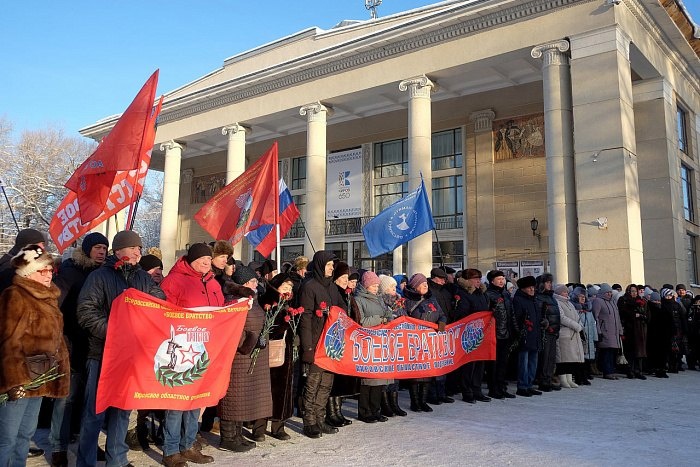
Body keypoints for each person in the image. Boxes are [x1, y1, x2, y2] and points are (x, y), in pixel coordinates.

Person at [76, 230, 166, 467]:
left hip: (132, 356)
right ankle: (85, 462)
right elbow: (86, 312)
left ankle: (117, 459)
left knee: (123, 411)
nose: (138, 252)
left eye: (139, 247)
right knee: (94, 413)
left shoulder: (143, 279)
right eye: (133, 247)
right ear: (119, 251)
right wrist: (116, 333)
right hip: (102, 355)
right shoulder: (99, 277)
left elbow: (159, 305)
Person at [0, 245, 70, 467]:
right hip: (19, 381)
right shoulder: (15, 296)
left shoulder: (48, 298)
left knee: (25, 435)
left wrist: (58, 370)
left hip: (40, 377)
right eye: (43, 270)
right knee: (6, 439)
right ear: (28, 273)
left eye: (50, 270)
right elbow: (8, 342)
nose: (49, 274)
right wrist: (14, 381)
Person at [159, 243, 221, 467]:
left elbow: (220, 312)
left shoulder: (213, 282)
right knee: (177, 402)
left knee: (196, 400)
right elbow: (163, 312)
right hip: (181, 347)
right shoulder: (174, 280)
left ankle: (188, 445)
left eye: (209, 258)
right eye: (202, 258)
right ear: (191, 259)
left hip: (203, 349)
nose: (206, 262)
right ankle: (170, 449)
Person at [50, 232, 109, 466]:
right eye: (97, 247)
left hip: (95, 347)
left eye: (105, 247)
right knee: (67, 398)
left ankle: (88, 444)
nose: (102, 251)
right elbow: (57, 308)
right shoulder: (69, 272)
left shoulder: (105, 273)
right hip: (71, 345)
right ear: (86, 250)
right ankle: (58, 446)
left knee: (90, 402)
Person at [218, 266, 272, 451]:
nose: (255, 284)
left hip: (250, 357)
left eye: (255, 281)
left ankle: (238, 435)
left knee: (243, 399)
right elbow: (233, 329)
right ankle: (227, 437)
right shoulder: (234, 301)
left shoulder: (251, 299)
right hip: (238, 357)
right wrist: (252, 341)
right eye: (251, 282)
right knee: (233, 398)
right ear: (243, 284)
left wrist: (262, 336)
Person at [299, 251, 344, 438]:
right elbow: (305, 318)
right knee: (313, 383)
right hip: (316, 343)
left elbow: (342, 310)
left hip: (331, 344)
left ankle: (320, 418)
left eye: (332, 265)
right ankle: (309, 422)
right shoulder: (309, 287)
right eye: (329, 265)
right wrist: (307, 348)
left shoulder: (332, 287)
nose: (332, 268)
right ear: (319, 265)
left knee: (326, 384)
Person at [259, 273, 296, 441]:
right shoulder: (267, 302)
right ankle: (258, 427)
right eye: (285, 287)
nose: (288, 290)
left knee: (283, 389)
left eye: (290, 287)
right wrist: (284, 322)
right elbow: (267, 327)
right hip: (269, 350)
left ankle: (278, 425)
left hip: (286, 352)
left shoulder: (288, 303)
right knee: (266, 390)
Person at [353, 271, 393, 423]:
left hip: (381, 343)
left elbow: (387, 314)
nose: (376, 288)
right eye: (373, 286)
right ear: (366, 285)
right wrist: (380, 319)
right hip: (367, 343)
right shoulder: (358, 299)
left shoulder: (379, 299)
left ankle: (376, 410)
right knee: (368, 380)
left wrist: (389, 317)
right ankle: (364, 411)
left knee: (379, 379)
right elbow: (361, 321)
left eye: (377, 285)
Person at [404, 273, 446, 412]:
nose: (425, 286)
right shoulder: (408, 300)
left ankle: (423, 400)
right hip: (414, 340)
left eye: (426, 284)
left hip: (430, 340)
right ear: (415, 287)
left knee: (428, 371)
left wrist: (441, 325)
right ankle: (415, 401)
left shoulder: (431, 299)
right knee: (416, 372)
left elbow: (441, 314)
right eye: (422, 285)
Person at [325, 262, 357, 428]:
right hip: (334, 340)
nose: (346, 280)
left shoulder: (346, 294)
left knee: (341, 378)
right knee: (334, 379)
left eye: (347, 277)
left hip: (345, 339)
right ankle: (331, 412)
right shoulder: (333, 291)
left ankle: (338, 411)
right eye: (343, 277)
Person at [454, 268, 490, 403]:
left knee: (480, 363)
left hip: (481, 332)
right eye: (475, 279)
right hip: (469, 333)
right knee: (469, 364)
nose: (478, 281)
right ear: (468, 280)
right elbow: (462, 313)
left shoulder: (481, 293)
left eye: (479, 279)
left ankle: (477, 389)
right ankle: (467, 391)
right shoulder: (463, 294)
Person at [483, 270, 516, 399]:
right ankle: (493, 388)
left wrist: (514, 329)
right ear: (492, 281)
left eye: (503, 279)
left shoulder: (506, 294)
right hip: (494, 334)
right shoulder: (489, 295)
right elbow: (486, 314)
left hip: (506, 333)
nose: (502, 281)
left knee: (503, 363)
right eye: (499, 279)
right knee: (493, 364)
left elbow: (511, 313)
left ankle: (502, 387)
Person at [377, 274, 407, 416]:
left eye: (395, 286)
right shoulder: (380, 301)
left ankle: (394, 403)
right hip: (384, 342)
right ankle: (385, 403)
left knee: (396, 374)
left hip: (397, 341)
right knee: (385, 374)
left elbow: (405, 317)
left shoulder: (399, 301)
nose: (394, 290)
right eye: (391, 287)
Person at [512, 276, 543, 397]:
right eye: (529, 287)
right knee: (523, 363)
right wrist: (520, 331)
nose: (532, 289)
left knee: (533, 362)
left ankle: (529, 384)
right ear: (523, 288)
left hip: (534, 334)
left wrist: (542, 322)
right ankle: (522, 385)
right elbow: (517, 318)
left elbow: (537, 317)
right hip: (524, 335)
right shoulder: (519, 300)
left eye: (533, 287)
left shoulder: (534, 300)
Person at [552, 285, 584, 388]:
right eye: (564, 292)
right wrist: (575, 325)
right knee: (563, 359)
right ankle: (563, 379)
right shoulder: (557, 302)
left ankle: (569, 379)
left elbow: (577, 316)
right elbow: (561, 317)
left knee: (571, 359)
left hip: (573, 334)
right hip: (564, 334)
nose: (566, 293)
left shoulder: (569, 303)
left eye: (566, 292)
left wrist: (580, 324)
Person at [591, 283, 623, 380]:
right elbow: (595, 317)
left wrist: (620, 330)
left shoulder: (613, 302)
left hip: (614, 332)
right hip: (604, 331)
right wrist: (598, 331)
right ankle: (607, 371)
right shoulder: (598, 301)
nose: (609, 294)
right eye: (607, 292)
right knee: (606, 352)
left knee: (612, 352)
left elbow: (617, 318)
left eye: (610, 292)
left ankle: (611, 370)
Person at [535, 273, 561, 391]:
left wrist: (556, 328)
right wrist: (544, 325)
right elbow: (539, 315)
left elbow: (556, 315)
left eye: (550, 282)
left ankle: (549, 378)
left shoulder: (551, 297)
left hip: (553, 331)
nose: (550, 285)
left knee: (551, 358)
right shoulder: (539, 297)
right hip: (545, 332)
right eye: (547, 282)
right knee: (544, 358)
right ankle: (543, 380)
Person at [617, 284, 648, 379]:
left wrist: (641, 316)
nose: (634, 293)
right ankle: (630, 370)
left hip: (641, 329)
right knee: (630, 351)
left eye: (635, 291)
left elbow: (647, 315)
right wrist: (634, 315)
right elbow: (623, 313)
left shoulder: (642, 301)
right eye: (632, 291)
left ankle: (638, 370)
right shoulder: (624, 300)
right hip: (629, 329)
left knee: (640, 351)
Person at [570, 287, 598, 382]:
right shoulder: (575, 310)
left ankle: (585, 375)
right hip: (579, 337)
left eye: (584, 297)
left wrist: (595, 337)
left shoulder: (588, 310)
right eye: (580, 296)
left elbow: (593, 324)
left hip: (588, 337)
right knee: (579, 357)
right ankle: (578, 376)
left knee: (587, 358)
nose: (583, 298)